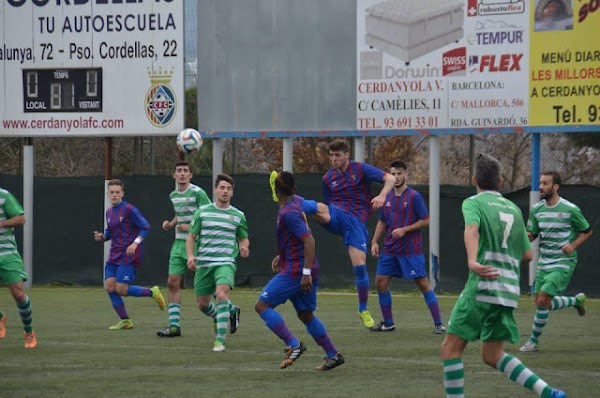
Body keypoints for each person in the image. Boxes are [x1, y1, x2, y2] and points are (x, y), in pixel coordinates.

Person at [441, 154, 566, 398]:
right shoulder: (514, 209)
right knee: (492, 355)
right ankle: (547, 392)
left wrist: (472, 260)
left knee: (450, 350)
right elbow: (528, 255)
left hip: (483, 286)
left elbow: (472, 229)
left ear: (474, 179)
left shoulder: (473, 203)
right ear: (500, 181)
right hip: (507, 292)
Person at [296, 138, 395, 328]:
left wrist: (382, 195)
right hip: (336, 215)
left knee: (359, 266)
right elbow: (329, 202)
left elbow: (390, 179)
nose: (333, 159)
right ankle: (291, 198)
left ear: (346, 155)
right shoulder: (328, 178)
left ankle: (363, 309)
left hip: (356, 223)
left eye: (337, 155)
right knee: (319, 208)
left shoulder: (359, 169)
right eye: (331, 155)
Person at [256, 171, 344, 371]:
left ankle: (293, 344)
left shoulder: (289, 212)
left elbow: (309, 240)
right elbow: (298, 233)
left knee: (262, 306)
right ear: (293, 188)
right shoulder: (296, 202)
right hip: (301, 266)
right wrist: (282, 255)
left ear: (276, 191)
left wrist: (305, 273)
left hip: (297, 271)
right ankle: (333, 355)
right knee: (305, 314)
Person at [519, 171, 592, 353]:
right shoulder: (537, 210)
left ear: (556, 186)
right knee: (542, 303)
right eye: (540, 183)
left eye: (545, 183)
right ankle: (575, 301)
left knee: (543, 299)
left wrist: (573, 245)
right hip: (544, 262)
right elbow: (532, 234)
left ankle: (533, 342)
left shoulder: (570, 209)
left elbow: (587, 230)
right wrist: (518, 237)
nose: (541, 187)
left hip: (563, 261)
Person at [370, 160, 445, 334]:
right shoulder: (386, 197)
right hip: (390, 249)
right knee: (380, 282)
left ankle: (439, 323)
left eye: (399, 174)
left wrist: (405, 229)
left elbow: (426, 220)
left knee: (423, 284)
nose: (396, 177)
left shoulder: (414, 197)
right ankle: (388, 323)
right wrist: (374, 241)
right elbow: (382, 221)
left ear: (406, 175)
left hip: (410, 250)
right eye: (393, 174)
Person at [186, 174, 249, 352]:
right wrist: (190, 256)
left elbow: (243, 239)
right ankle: (229, 311)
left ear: (232, 192)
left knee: (221, 294)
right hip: (204, 263)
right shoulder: (202, 212)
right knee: (202, 304)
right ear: (215, 190)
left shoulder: (238, 215)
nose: (225, 191)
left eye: (228, 189)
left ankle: (220, 340)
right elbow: (191, 237)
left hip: (225, 263)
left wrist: (244, 248)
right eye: (222, 188)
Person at [94, 179, 166, 330]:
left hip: (128, 254)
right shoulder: (109, 212)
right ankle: (125, 321)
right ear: (108, 194)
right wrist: (102, 237)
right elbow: (109, 232)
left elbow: (145, 226)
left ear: (122, 193)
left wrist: (135, 243)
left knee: (121, 289)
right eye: (112, 192)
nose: (114, 195)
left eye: (117, 192)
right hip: (114, 255)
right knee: (109, 287)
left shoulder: (129, 209)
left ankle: (152, 292)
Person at [157, 161, 212, 338]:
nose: (181, 174)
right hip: (178, 244)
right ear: (174, 175)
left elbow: (208, 214)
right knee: (172, 282)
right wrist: (171, 223)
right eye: (179, 171)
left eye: (185, 171)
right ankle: (174, 327)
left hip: (196, 244)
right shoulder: (173, 195)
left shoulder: (198, 193)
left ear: (190, 175)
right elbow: (179, 214)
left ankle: (228, 312)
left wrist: (191, 227)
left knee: (203, 291)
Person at [0, 187, 36, 349]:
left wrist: (1, 223)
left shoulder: (4, 195)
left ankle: (29, 332)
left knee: (19, 294)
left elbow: (20, 219)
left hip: (7, 253)